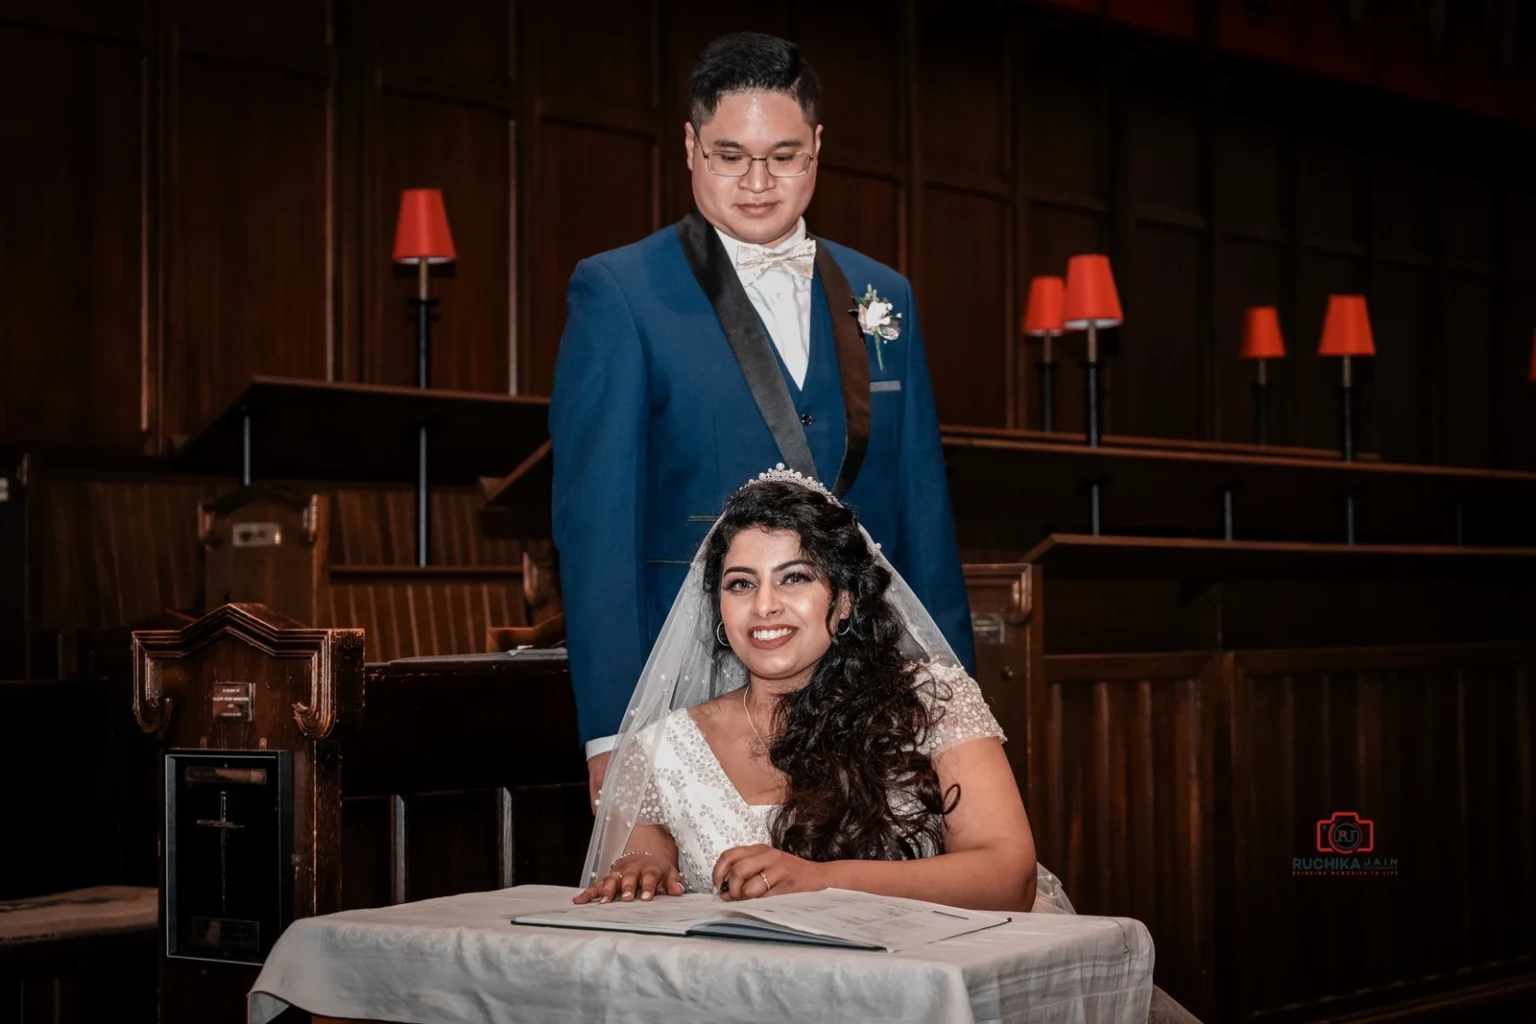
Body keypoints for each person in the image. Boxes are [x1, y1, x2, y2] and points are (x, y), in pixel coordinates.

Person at [549, 32, 976, 811]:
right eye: (729, 155)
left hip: (866, 683)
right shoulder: (619, 292)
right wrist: (611, 733)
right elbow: (597, 531)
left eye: (783, 155)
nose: (757, 182)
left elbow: (923, 511)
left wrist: (954, 705)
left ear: (817, 147)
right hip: (694, 686)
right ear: (688, 146)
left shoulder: (884, 296)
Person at [573, 469, 1071, 913]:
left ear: (845, 599)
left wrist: (820, 881)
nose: (764, 606)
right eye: (741, 584)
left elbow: (1009, 879)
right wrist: (645, 866)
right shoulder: (662, 749)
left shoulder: (934, 701)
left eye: (794, 578)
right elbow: (639, 858)